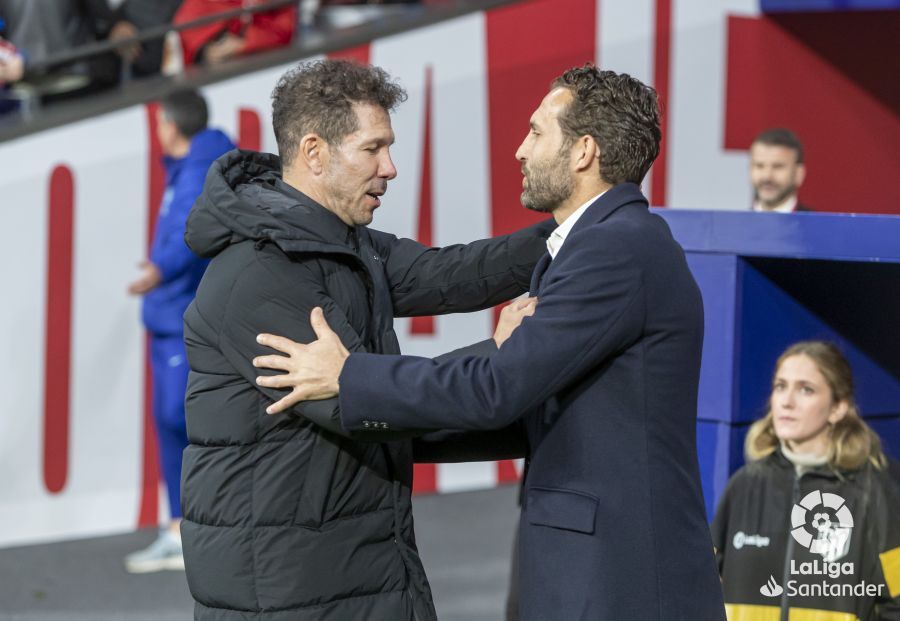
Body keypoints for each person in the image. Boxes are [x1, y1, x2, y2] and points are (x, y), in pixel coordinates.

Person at [253, 64, 727, 620]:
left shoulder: (614, 250)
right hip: (597, 569)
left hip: (620, 578)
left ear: (584, 152)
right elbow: (525, 405)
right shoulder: (599, 245)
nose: (521, 150)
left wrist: (349, 377)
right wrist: (382, 431)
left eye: (537, 132)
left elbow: (498, 389)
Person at [179, 59, 551, 620]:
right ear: (314, 152)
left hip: (355, 571)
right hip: (291, 595)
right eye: (373, 149)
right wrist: (502, 356)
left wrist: (571, 229)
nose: (391, 168)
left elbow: (453, 273)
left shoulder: (348, 243)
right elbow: (366, 403)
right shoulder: (260, 273)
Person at [125, 89, 235, 574]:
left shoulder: (197, 169)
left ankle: (201, 527)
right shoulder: (192, 166)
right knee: (171, 421)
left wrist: (160, 270)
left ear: (169, 125)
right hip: (170, 315)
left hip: (181, 317)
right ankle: (180, 527)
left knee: (179, 418)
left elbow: (195, 229)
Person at [711, 341, 900, 620]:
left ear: (838, 408)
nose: (786, 401)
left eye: (806, 389)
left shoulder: (874, 492)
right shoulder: (743, 485)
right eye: (780, 386)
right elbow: (702, 586)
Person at [750, 127, 813, 213]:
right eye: (759, 166)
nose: (767, 176)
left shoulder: (819, 221)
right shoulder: (735, 221)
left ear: (799, 174)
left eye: (777, 167)